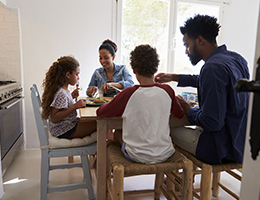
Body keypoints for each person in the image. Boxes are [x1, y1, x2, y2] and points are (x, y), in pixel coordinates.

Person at [155, 14, 250, 165]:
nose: (186, 51)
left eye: (187, 45)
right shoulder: (236, 59)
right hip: (241, 145)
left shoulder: (212, 68)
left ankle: (180, 179)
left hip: (220, 149)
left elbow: (212, 122)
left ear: (199, 40)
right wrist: (175, 77)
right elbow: (210, 82)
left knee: (166, 130)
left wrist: (187, 108)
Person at [97, 44, 184, 164]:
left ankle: (105, 168)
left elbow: (101, 113)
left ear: (133, 69)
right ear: (156, 68)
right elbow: (179, 114)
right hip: (165, 152)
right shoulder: (168, 90)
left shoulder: (128, 93)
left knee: (118, 132)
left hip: (136, 155)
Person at [41, 56, 97, 139]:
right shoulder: (61, 93)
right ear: (68, 75)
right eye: (77, 74)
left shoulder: (62, 89)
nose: (78, 77)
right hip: (64, 130)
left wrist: (71, 96)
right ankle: (104, 149)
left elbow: (61, 105)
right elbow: (55, 117)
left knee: (97, 122)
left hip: (64, 127)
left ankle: (99, 151)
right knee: (100, 124)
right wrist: (75, 106)